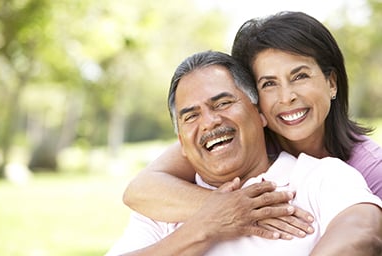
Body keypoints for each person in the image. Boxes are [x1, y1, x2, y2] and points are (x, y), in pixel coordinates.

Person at [122, 11, 382, 240]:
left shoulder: (368, 168)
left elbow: (364, 234)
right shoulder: (238, 138)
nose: (286, 96)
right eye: (269, 83)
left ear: (332, 83)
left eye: (300, 76)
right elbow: (140, 190)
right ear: (252, 100)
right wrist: (235, 209)